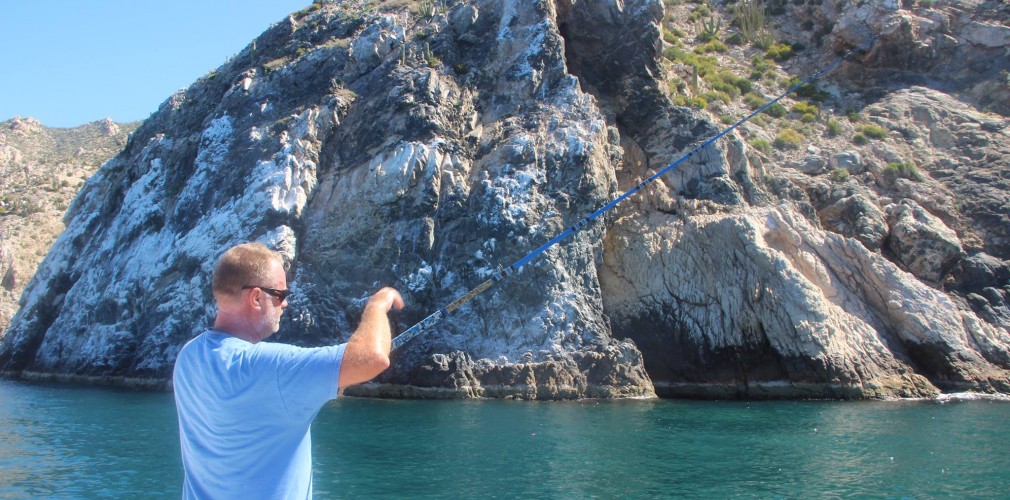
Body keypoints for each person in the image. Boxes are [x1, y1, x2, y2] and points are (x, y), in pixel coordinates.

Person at [173, 242, 403, 499]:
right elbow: (372, 358)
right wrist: (377, 306)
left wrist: (320, 385)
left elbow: (257, 406)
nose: (285, 304)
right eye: (281, 295)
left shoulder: (188, 357)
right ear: (256, 297)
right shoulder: (274, 371)